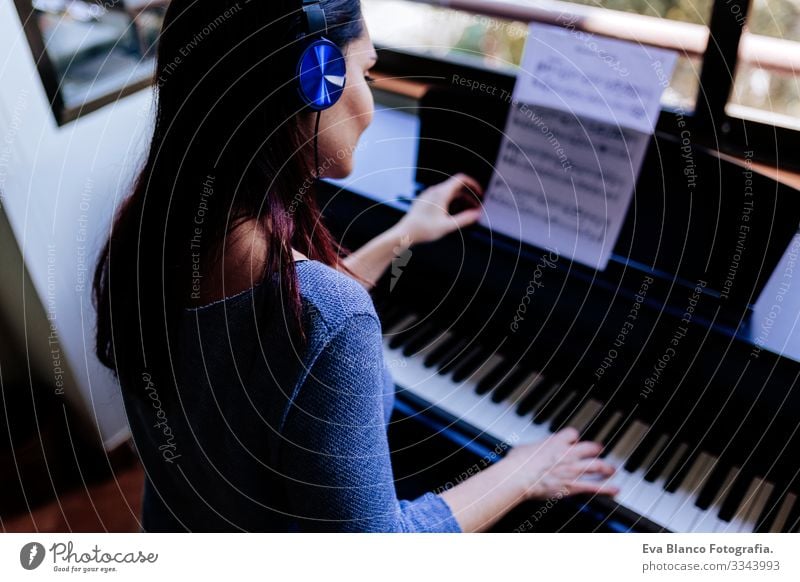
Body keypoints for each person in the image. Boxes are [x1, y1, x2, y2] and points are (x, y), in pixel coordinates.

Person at [93, 0, 619, 532]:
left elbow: (284, 320)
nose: (368, 97)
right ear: (314, 81)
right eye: (366, 71)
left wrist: (402, 236)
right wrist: (522, 472)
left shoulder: (146, 236)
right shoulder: (331, 315)